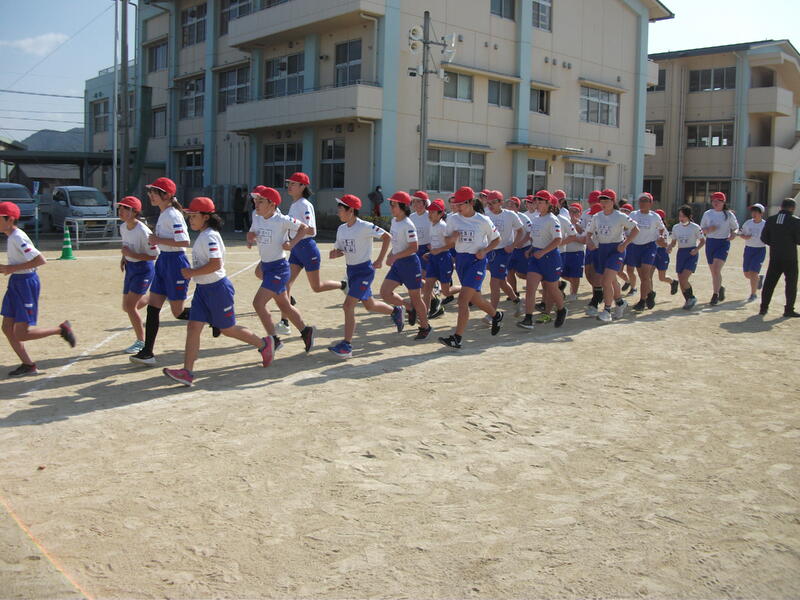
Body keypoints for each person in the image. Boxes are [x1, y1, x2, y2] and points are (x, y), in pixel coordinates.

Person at [163, 197, 275, 386]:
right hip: (202, 290)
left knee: (227, 329)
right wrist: (194, 274)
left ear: (206, 217)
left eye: (194, 216)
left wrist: (192, 272)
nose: (190, 219)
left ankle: (264, 344)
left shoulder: (210, 236)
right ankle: (187, 372)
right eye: (189, 216)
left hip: (217, 289)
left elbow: (216, 264)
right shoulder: (204, 235)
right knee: (193, 327)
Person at [0, 202, 76, 377]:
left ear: (10, 219)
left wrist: (11, 268)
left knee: (21, 333)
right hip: (16, 281)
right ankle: (28, 365)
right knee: (7, 327)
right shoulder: (11, 237)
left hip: (25, 283)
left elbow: (40, 260)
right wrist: (9, 269)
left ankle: (61, 329)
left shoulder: (18, 237)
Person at [328, 194, 398, 358]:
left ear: (351, 210)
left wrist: (379, 260)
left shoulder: (365, 226)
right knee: (369, 305)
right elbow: (341, 250)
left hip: (365, 271)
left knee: (347, 306)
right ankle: (396, 311)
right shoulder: (341, 229)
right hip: (351, 271)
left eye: (341, 208)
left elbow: (387, 237)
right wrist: (336, 253)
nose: (338, 211)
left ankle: (347, 346)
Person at [130, 177, 191, 367]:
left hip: (175, 263)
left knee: (178, 312)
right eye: (150, 191)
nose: (151, 195)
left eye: (155, 192)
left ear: (168, 195)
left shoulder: (173, 215)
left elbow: (185, 241)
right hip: (164, 261)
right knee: (153, 307)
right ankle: (147, 352)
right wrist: (157, 240)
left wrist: (158, 240)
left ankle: (213, 315)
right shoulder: (164, 213)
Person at [247, 186, 315, 354]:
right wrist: (250, 237)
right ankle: (306, 331)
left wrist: (292, 243)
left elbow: (304, 228)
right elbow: (252, 232)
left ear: (272, 204)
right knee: (284, 305)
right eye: (256, 201)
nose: (256, 204)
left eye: (261, 201)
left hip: (279, 268)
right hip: (267, 266)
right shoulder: (257, 216)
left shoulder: (282, 219)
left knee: (258, 303)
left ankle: (274, 340)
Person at [279, 172, 345, 335]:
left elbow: (311, 229)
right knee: (285, 284)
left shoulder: (304, 205)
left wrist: (293, 237)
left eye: (293, 184)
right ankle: (284, 322)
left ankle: (343, 285)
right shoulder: (294, 204)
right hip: (297, 250)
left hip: (307, 249)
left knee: (316, 287)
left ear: (303, 187)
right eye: (289, 183)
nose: (289, 186)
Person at [438, 186, 504, 349]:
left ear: (471, 203)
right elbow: (446, 241)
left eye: (461, 204)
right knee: (476, 299)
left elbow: (497, 239)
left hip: (477, 261)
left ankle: (457, 338)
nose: (457, 207)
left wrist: (485, 251)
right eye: (456, 204)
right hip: (461, 261)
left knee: (463, 300)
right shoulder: (453, 219)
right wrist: (452, 239)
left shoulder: (483, 220)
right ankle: (496, 315)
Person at [379, 191, 431, 339]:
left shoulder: (408, 224)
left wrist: (394, 256)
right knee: (385, 293)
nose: (391, 207)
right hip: (398, 264)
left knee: (416, 298)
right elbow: (396, 243)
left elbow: (414, 247)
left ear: (402, 206)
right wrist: (391, 254)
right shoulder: (394, 221)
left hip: (410, 264)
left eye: (393, 205)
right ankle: (409, 308)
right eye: (391, 204)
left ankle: (425, 327)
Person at [585, 189, 639, 322]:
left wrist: (625, 244)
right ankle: (620, 302)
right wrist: (589, 241)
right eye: (601, 200)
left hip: (616, 250)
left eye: (606, 200)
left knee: (606, 281)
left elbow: (635, 229)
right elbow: (588, 233)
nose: (603, 203)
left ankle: (607, 311)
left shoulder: (620, 216)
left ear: (613, 201)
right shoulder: (597, 216)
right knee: (612, 280)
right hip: (602, 250)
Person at [517, 191, 568, 329]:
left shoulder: (552, 219)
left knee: (552, 288)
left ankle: (561, 309)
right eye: (536, 202)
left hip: (550, 258)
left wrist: (543, 252)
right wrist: (530, 249)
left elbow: (558, 240)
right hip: (536, 257)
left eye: (540, 202)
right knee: (530, 288)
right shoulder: (536, 219)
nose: (537, 204)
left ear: (548, 204)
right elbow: (536, 238)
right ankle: (528, 319)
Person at [118, 195, 158, 354]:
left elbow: (154, 255)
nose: (121, 211)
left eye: (125, 208)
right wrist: (124, 258)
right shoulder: (123, 227)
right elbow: (127, 247)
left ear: (135, 212)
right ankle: (154, 298)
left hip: (144, 269)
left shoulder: (143, 230)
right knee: (126, 307)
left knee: (130, 306)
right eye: (120, 208)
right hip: (131, 268)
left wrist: (132, 255)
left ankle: (141, 342)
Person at [484, 190, 524, 317]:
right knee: (501, 281)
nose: (490, 205)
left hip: (504, 251)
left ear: (501, 202)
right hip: (490, 250)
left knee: (494, 282)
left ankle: (492, 314)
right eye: (488, 203)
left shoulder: (510, 215)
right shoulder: (486, 215)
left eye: (493, 202)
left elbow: (521, 231)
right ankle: (516, 301)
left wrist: (513, 245)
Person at [759, 198, 800, 317]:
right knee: (791, 284)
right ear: (793, 208)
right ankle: (788, 309)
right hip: (790, 257)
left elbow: (764, 238)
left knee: (769, 283)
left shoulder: (771, 219)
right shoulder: (795, 221)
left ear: (781, 207)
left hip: (775, 256)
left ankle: (763, 308)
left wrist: (775, 243)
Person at [626, 192, 666, 311]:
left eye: (645, 201)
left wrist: (661, 237)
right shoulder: (633, 214)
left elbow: (662, 229)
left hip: (649, 247)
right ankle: (650, 293)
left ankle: (642, 301)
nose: (642, 203)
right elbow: (626, 227)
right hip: (635, 247)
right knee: (642, 275)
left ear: (650, 203)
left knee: (645, 274)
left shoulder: (655, 216)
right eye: (641, 201)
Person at [421, 198, 460, 319]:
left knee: (446, 291)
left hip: (444, 259)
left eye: (433, 212)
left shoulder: (443, 226)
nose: (430, 214)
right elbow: (436, 243)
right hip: (433, 259)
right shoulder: (432, 225)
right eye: (429, 211)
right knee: (427, 288)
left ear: (441, 213)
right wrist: (430, 252)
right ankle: (424, 315)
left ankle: (466, 288)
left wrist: (439, 250)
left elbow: (453, 244)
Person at [700, 191, 739, 305]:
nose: (715, 203)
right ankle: (719, 288)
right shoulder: (708, 214)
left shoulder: (728, 214)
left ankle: (715, 295)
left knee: (716, 269)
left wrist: (734, 233)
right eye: (713, 201)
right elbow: (701, 229)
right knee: (714, 272)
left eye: (718, 201)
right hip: (711, 243)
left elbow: (736, 227)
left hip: (723, 243)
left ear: (723, 202)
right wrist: (708, 230)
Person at [668, 205, 705, 310]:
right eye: (680, 216)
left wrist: (696, 249)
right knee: (681, 279)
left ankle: (692, 298)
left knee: (684, 278)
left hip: (691, 253)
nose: (681, 218)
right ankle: (688, 299)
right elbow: (674, 242)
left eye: (684, 216)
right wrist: (670, 247)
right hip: (681, 253)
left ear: (689, 216)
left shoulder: (695, 227)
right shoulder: (676, 227)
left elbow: (702, 241)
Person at [504, 196, 532, 315]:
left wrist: (522, 242)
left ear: (517, 207)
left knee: (523, 274)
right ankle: (514, 293)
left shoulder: (523, 217)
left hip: (523, 248)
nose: (509, 207)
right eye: (508, 204)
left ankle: (537, 285)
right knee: (510, 271)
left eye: (512, 205)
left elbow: (530, 232)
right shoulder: (505, 217)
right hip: (511, 249)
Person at [738, 203, 767, 302]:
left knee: (753, 272)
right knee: (747, 274)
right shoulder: (748, 223)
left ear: (761, 213)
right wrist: (744, 237)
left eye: (756, 212)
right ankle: (758, 279)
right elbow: (740, 233)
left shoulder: (765, 224)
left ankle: (753, 294)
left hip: (760, 250)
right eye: (752, 211)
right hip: (748, 249)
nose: (754, 214)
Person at [562, 202, 586, 300]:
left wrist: (573, 237)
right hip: (564, 251)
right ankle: (566, 285)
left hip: (577, 252)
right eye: (570, 211)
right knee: (562, 273)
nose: (572, 213)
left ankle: (574, 294)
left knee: (575, 275)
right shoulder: (565, 221)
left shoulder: (582, 223)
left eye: (575, 211)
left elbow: (584, 240)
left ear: (580, 213)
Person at [653, 208, 679, 297]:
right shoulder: (651, 227)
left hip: (662, 253)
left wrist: (657, 242)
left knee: (662, 277)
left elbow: (664, 244)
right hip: (652, 252)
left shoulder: (663, 230)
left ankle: (673, 282)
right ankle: (650, 294)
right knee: (648, 276)